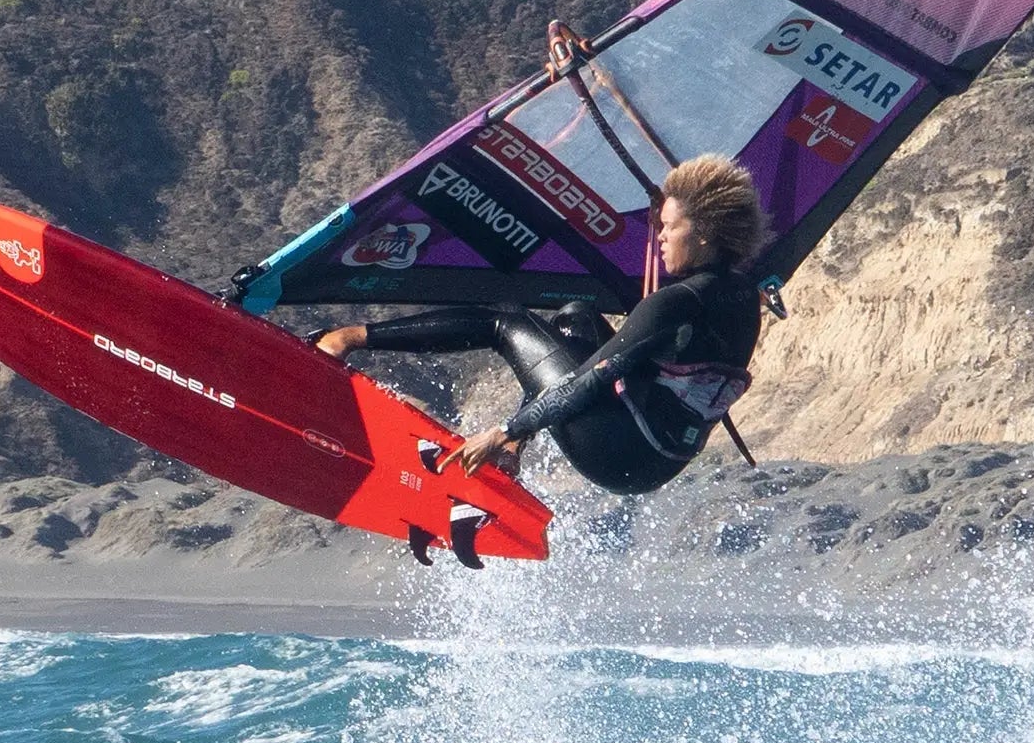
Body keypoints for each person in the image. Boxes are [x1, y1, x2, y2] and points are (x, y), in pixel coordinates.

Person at [316, 153, 765, 495]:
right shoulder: (744, 296)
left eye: (669, 226)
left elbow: (589, 382)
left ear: (705, 232)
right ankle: (514, 454)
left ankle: (349, 338)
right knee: (577, 318)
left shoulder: (676, 301)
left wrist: (504, 430)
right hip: (657, 462)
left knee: (506, 321)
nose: (661, 236)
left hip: (616, 451)